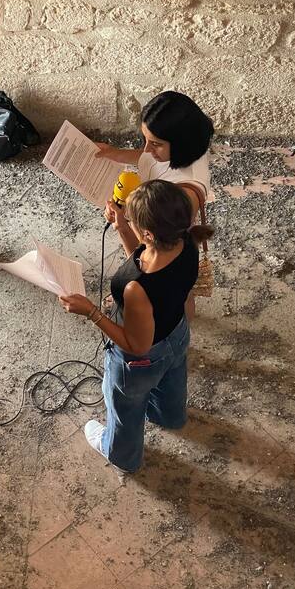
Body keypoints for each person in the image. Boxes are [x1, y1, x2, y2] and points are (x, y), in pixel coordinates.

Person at [58, 180, 214, 474]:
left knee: (125, 407)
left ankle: (122, 455)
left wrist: (91, 311)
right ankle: (169, 417)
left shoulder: (136, 290)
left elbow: (137, 344)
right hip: (176, 334)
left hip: (142, 359)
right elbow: (144, 257)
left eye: (132, 220)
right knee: (172, 381)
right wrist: (121, 227)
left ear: (149, 233)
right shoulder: (186, 241)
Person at [97, 91, 214, 256]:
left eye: (155, 143)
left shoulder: (180, 197)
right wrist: (113, 153)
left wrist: (123, 225)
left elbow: (149, 261)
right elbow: (149, 158)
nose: (146, 149)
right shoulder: (184, 151)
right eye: (145, 139)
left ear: (180, 143)